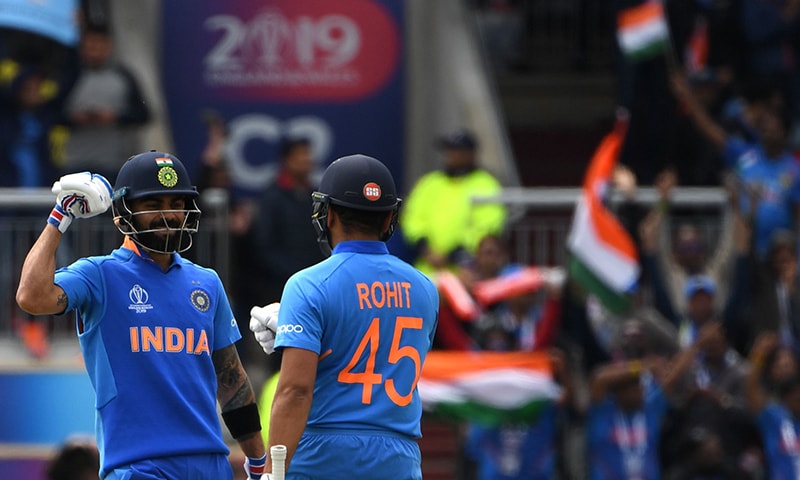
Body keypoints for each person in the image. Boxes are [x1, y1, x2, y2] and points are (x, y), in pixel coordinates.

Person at [15, 151, 266, 480]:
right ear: (122, 214)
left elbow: (232, 382)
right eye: (154, 204)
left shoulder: (206, 283)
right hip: (138, 466)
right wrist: (60, 216)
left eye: (177, 204)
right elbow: (31, 297)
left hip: (210, 465)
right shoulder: (99, 276)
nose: (170, 216)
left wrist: (259, 463)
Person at [249, 154, 439, 479]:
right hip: (398, 455)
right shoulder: (425, 287)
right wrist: (299, 327)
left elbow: (295, 391)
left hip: (324, 454)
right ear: (388, 218)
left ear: (329, 214)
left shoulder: (307, 285)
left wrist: (271, 472)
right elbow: (380, 343)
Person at [402, 128, 507, 276]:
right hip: (427, 270)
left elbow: (488, 224)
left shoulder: (486, 183)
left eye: (456, 150)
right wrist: (425, 248)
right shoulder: (430, 182)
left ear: (470, 154)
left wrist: (453, 254)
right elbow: (412, 217)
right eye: (448, 150)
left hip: (468, 271)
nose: (450, 155)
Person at [61, 23, 150, 183]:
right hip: (76, 161)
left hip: (114, 162)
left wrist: (115, 117)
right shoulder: (70, 76)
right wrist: (75, 119)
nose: (95, 50)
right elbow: (53, 113)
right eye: (91, 45)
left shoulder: (123, 77)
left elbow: (144, 115)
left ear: (109, 46)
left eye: (100, 44)